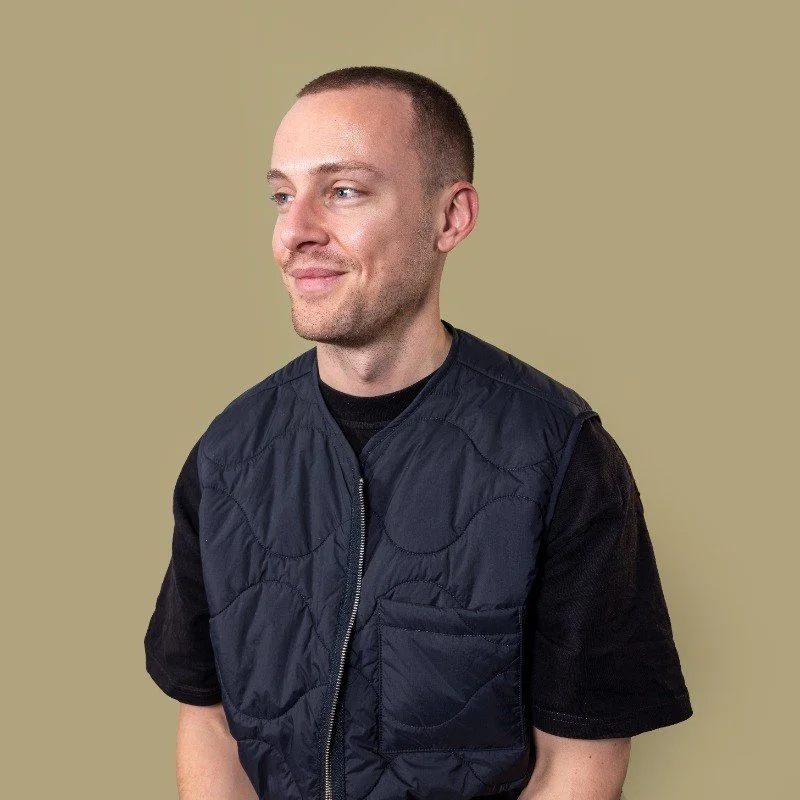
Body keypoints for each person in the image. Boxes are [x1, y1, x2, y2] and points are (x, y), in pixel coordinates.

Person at [144, 66, 692, 800]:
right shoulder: (225, 455)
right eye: (281, 195)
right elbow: (209, 720)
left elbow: (579, 766)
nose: (295, 232)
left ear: (450, 218)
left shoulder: (560, 455)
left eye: (343, 191)